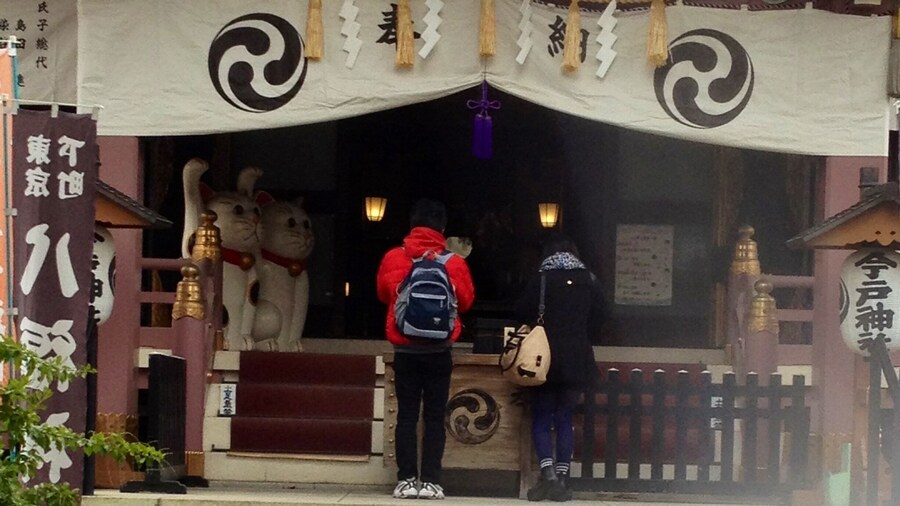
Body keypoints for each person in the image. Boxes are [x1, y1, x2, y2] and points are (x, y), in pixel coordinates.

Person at [376, 198, 475, 500]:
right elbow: (467, 302)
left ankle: (406, 480)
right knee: (434, 417)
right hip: (439, 350)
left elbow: (382, 294)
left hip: (405, 350)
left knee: (406, 414)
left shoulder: (394, 257)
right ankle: (431, 481)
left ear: (412, 225)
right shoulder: (454, 262)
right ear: (443, 229)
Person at [516, 235, 603, 502]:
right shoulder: (589, 280)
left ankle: (549, 475)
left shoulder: (541, 279)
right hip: (578, 357)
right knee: (565, 418)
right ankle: (563, 478)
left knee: (542, 416)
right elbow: (603, 315)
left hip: (545, 358)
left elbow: (520, 311)